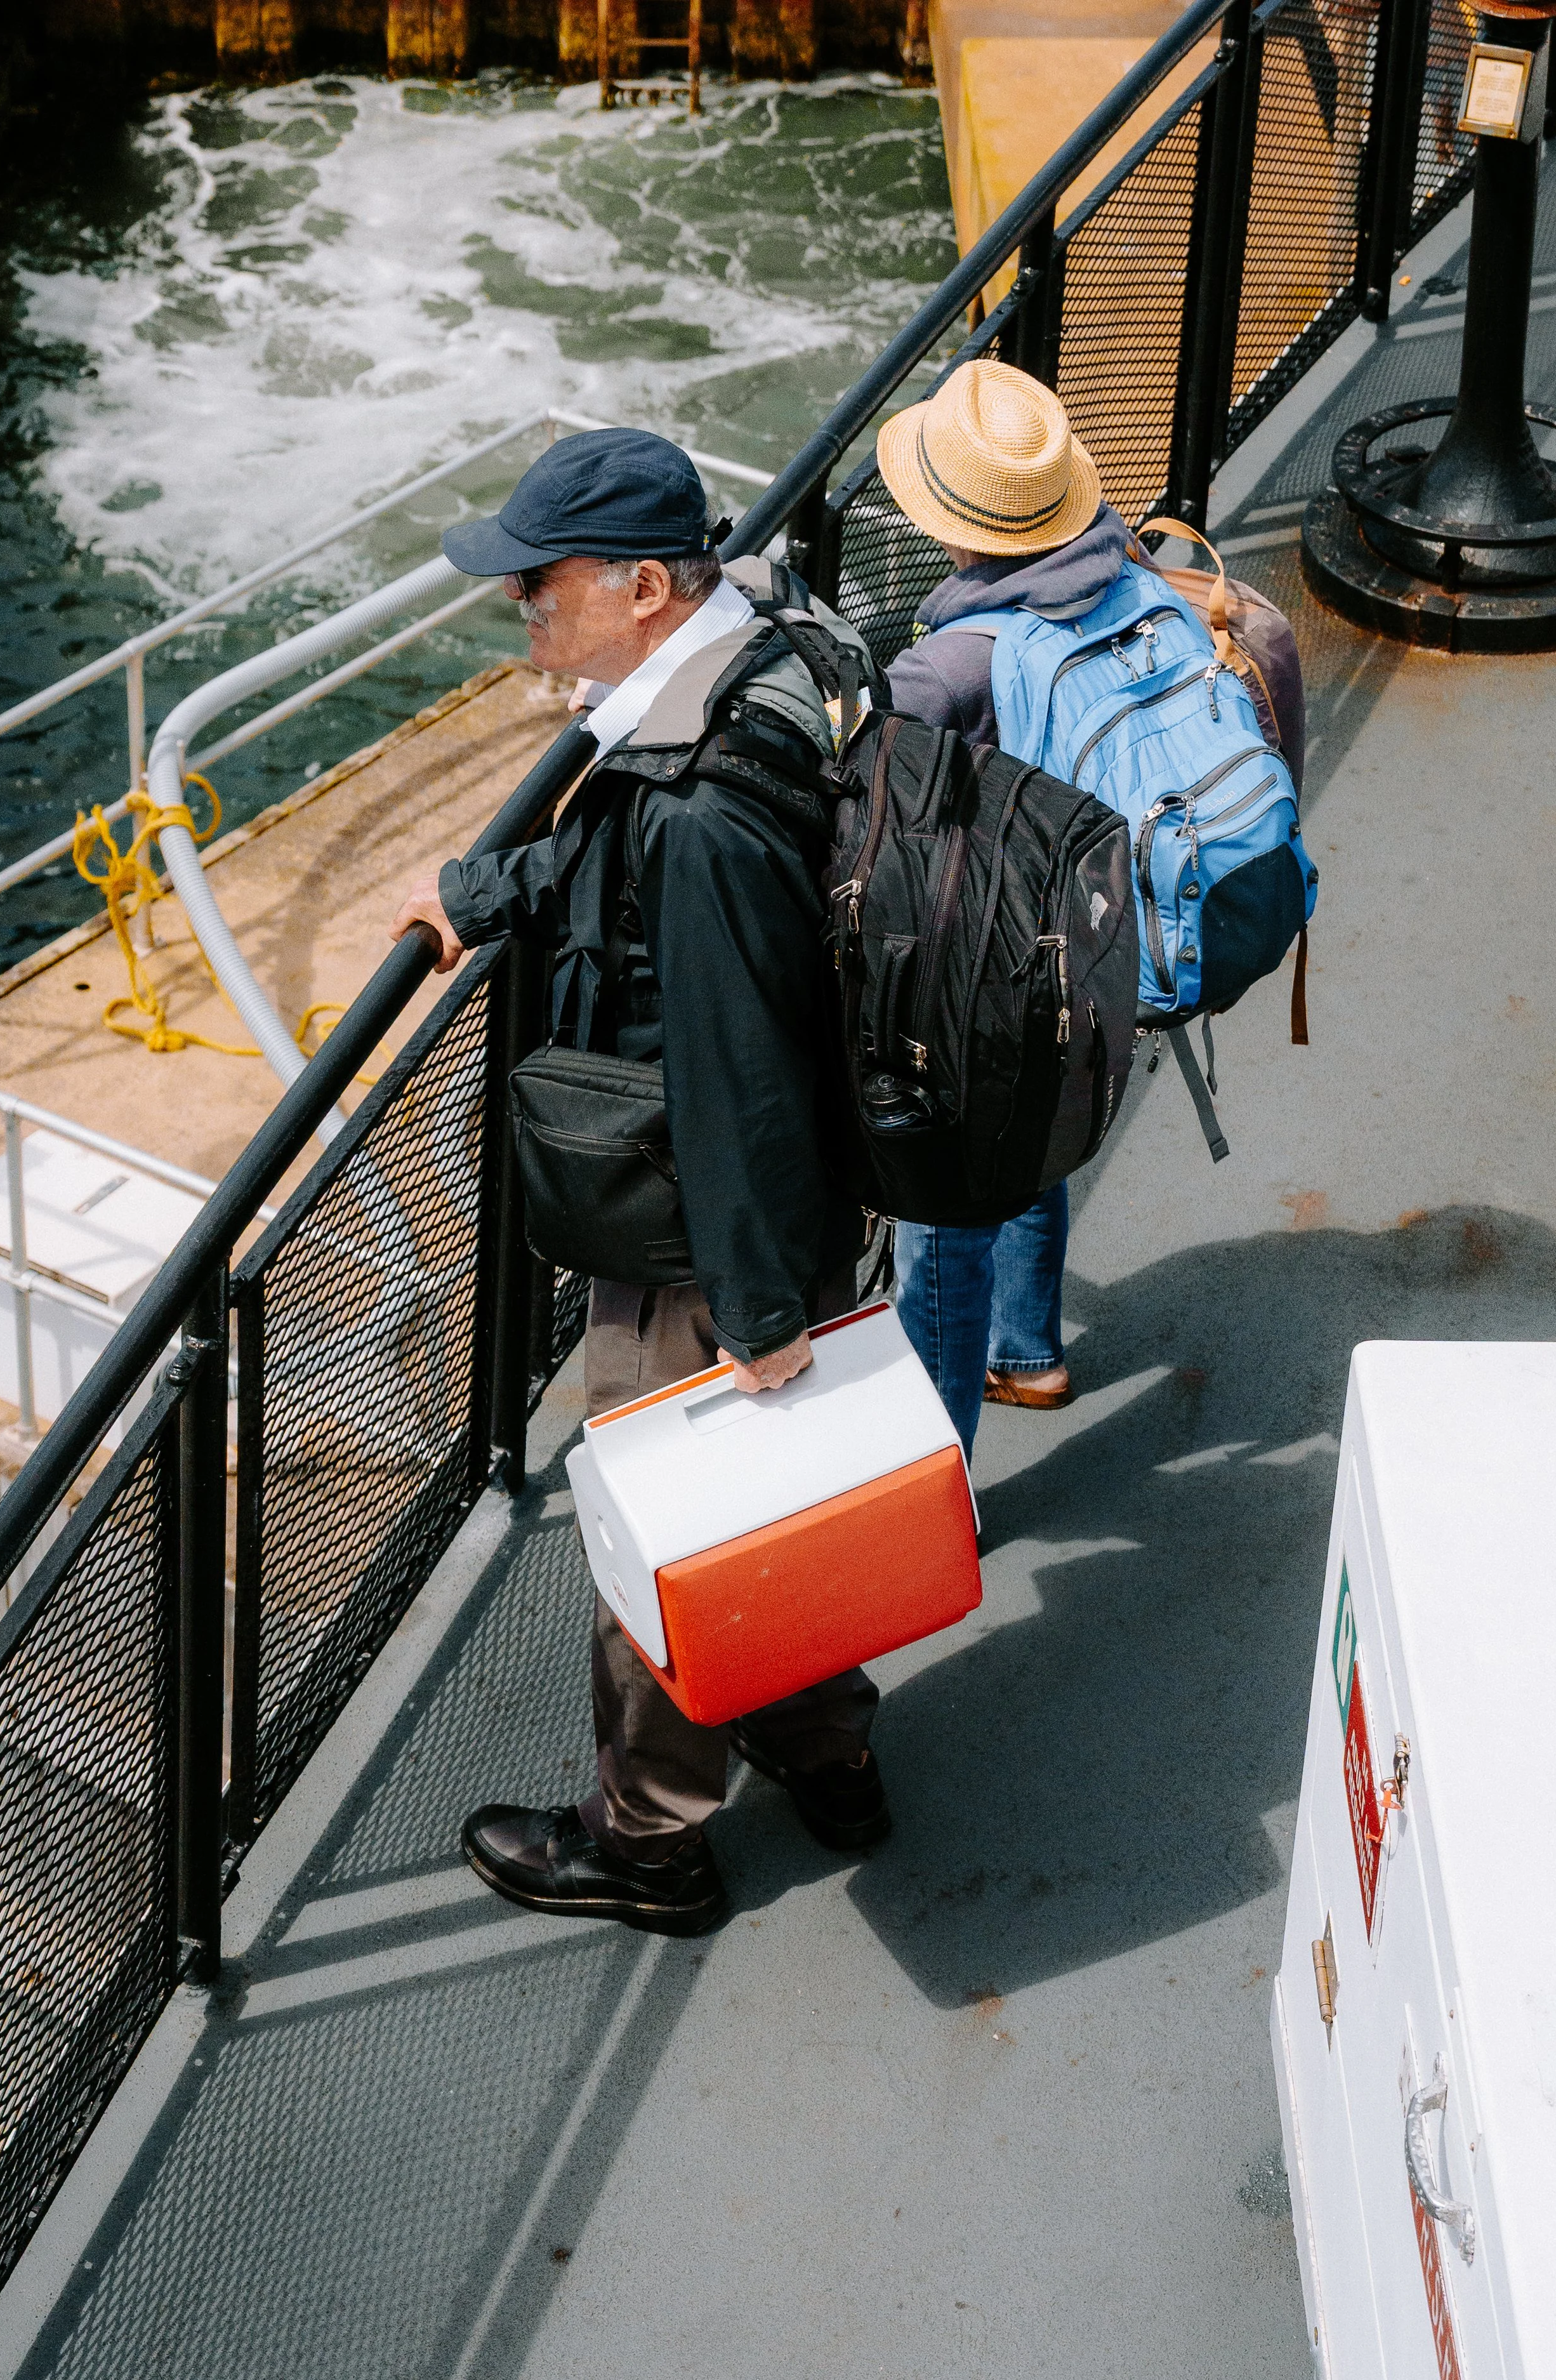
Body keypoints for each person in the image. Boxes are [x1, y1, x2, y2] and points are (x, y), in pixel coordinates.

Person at [391, 427, 888, 1940]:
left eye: (541, 587)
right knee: (786, 1496)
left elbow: (726, 1069)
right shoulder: (772, 653)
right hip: (809, 1179)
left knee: (671, 1532)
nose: (521, 614)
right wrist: (491, 893)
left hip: (712, 1230)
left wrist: (748, 1315)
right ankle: (826, 1746)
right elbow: (622, 866)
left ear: (648, 586)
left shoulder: (697, 812)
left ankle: (649, 1843)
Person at [873, 359, 1129, 1458]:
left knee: (940, 1227)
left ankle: (932, 1490)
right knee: (1036, 1139)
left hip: (984, 959)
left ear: (956, 528)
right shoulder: (1122, 579)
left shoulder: (950, 665)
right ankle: (1028, 1351)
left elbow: (857, 760)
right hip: (1094, 932)